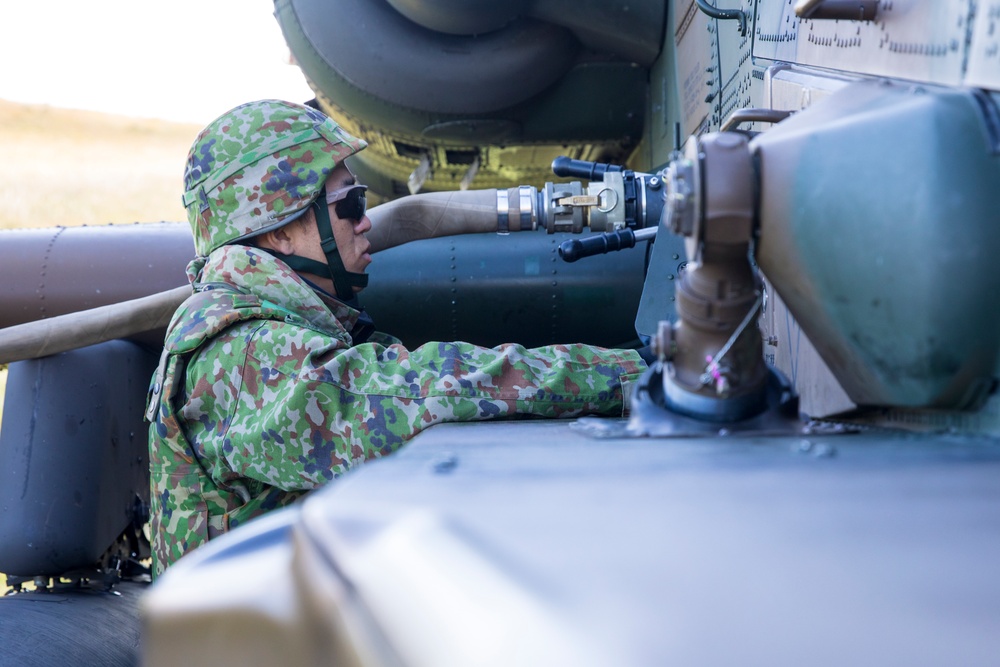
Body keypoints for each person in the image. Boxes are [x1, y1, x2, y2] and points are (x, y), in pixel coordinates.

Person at [146, 100, 647, 577]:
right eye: (349, 204)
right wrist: (632, 373)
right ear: (280, 230)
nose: (365, 221)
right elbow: (410, 391)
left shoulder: (274, 325)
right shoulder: (245, 352)